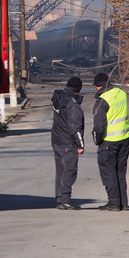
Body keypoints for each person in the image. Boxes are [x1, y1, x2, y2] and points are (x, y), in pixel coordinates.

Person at [92, 73, 129, 211]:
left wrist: (97, 139)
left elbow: (99, 125)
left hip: (109, 141)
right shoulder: (121, 93)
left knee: (108, 172)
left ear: (99, 86)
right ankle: (123, 203)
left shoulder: (102, 101)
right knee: (120, 172)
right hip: (124, 139)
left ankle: (114, 203)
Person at [51, 76, 85, 210]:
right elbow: (74, 127)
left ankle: (60, 199)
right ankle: (65, 199)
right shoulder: (72, 104)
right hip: (68, 142)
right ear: (78, 90)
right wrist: (81, 145)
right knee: (70, 170)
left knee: (60, 170)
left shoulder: (59, 98)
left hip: (56, 140)